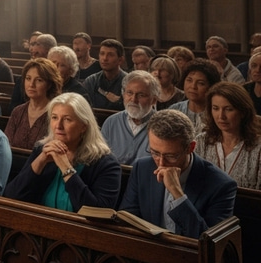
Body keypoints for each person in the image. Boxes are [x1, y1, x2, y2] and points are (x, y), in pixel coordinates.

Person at [119, 110, 237, 238]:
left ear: (190, 147)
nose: (161, 163)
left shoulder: (221, 185)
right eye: (155, 153)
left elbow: (207, 243)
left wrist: (177, 194)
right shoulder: (142, 168)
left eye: (171, 156)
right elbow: (127, 219)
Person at [3, 92, 121, 211]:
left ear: (84, 126)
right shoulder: (42, 149)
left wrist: (65, 167)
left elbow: (99, 213)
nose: (58, 126)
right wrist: (40, 161)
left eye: (67, 119)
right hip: (35, 225)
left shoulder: (106, 163)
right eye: (54, 117)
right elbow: (11, 196)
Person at [194, 82, 261, 190]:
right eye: (215, 108)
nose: (221, 116)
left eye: (229, 109)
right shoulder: (202, 141)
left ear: (243, 111)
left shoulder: (258, 147)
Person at [100, 70, 158, 164]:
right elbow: (101, 160)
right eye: (129, 93)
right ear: (123, 95)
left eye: (141, 95)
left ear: (154, 100)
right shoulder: (111, 122)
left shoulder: (162, 125)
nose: (133, 99)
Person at [4, 58, 61, 150]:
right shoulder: (18, 111)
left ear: (49, 84)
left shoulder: (56, 114)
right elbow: (5, 145)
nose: (31, 84)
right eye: (28, 78)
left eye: (39, 80)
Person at [169, 58, 221, 131]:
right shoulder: (175, 110)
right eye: (189, 80)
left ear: (211, 87)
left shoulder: (217, 113)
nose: (193, 86)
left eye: (200, 83)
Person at [11, 33, 58, 109]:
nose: (32, 49)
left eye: (37, 45)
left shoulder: (55, 76)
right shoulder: (23, 78)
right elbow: (13, 106)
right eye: (32, 45)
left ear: (48, 50)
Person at [83, 38, 127, 110]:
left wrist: (119, 102)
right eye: (102, 53)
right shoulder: (91, 81)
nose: (105, 58)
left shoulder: (128, 83)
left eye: (110, 55)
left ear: (120, 60)